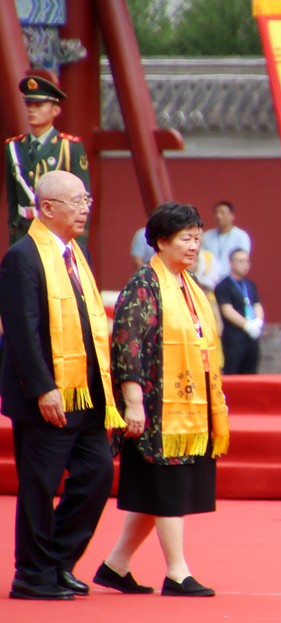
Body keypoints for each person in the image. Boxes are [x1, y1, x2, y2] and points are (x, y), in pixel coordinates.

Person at [93, 202, 229, 598]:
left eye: (197, 239)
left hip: (188, 403)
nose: (194, 246)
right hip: (157, 406)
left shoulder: (190, 284)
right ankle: (177, 572)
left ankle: (117, 564)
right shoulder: (144, 285)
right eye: (186, 239)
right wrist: (133, 402)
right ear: (163, 241)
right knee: (167, 487)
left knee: (158, 490)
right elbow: (127, 347)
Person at [0, 170, 121, 600]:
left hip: (85, 393)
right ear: (48, 208)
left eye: (87, 200)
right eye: (77, 201)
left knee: (97, 474)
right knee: (40, 484)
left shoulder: (75, 254)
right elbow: (21, 330)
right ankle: (32, 574)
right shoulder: (23, 257)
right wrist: (43, 387)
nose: (85, 208)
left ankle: (58, 561)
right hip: (46, 396)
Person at [5, 74, 91, 246]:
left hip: (57, 232)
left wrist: (79, 241)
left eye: (38, 105)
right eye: (29, 105)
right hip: (24, 231)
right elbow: (12, 199)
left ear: (56, 110)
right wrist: (13, 235)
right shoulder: (13, 147)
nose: (31, 110)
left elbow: (83, 198)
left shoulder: (68, 147)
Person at [214, 248, 264, 374]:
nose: (245, 265)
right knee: (233, 372)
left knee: (251, 372)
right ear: (231, 263)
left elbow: (257, 304)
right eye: (241, 261)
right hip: (234, 338)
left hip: (251, 338)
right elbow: (227, 310)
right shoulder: (223, 286)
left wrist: (258, 321)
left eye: (247, 261)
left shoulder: (250, 284)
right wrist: (247, 325)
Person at [200, 200, 251, 284]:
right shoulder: (207, 236)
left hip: (231, 282)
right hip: (209, 282)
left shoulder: (241, 236)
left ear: (232, 216)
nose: (218, 216)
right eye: (216, 213)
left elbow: (243, 260)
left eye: (222, 213)